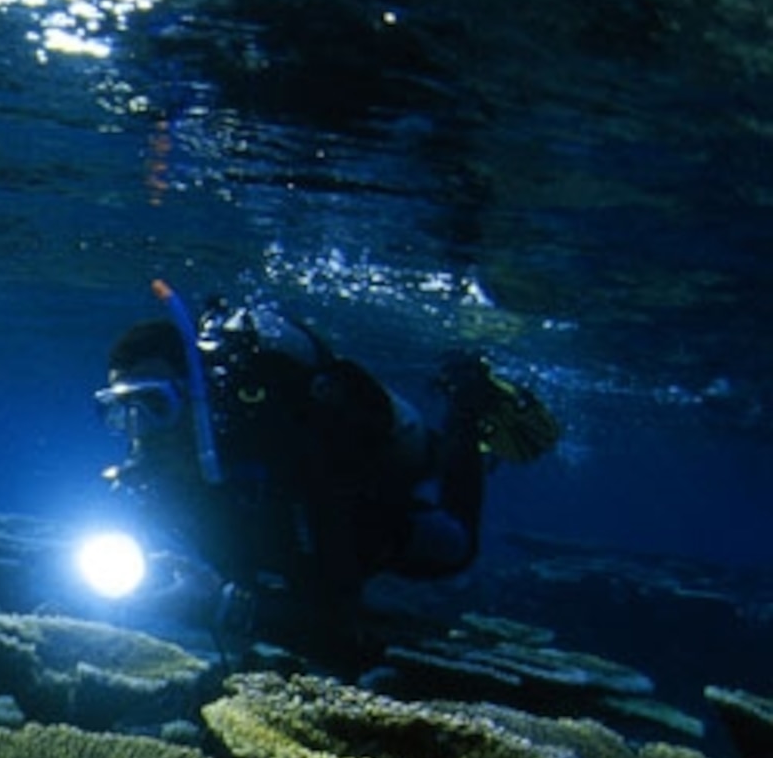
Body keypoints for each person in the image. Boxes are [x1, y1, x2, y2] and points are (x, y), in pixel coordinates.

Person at [92, 280, 561, 655]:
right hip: (297, 536)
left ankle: (467, 407)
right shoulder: (167, 472)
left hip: (362, 509)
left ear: (193, 397)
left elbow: (335, 611)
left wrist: (219, 607)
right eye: (118, 410)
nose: (139, 428)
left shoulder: (286, 445)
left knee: (453, 549)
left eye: (154, 404)